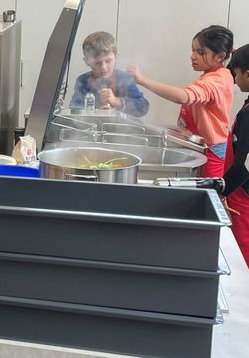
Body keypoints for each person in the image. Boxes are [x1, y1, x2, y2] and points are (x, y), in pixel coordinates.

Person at [128, 25, 234, 177]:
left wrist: (143, 80)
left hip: (211, 150)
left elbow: (184, 97)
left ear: (219, 56)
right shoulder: (210, 76)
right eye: (193, 50)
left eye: (200, 52)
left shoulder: (219, 79)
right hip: (199, 145)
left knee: (210, 193)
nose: (192, 56)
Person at [69, 31, 149, 117]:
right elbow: (74, 108)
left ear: (116, 57)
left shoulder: (123, 78)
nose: (103, 67)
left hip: (120, 128)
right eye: (97, 63)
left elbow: (143, 106)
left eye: (108, 61)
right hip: (92, 126)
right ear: (87, 61)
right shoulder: (83, 80)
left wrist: (117, 102)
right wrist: (97, 112)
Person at [223, 44, 249, 266]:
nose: (234, 79)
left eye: (236, 73)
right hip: (241, 189)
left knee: (245, 247)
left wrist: (222, 190)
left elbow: (244, 165)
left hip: (243, 194)